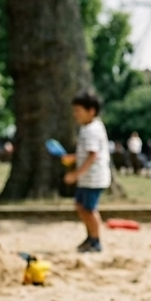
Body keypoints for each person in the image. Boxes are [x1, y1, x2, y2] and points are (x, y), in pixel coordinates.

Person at [66, 91, 111, 253]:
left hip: (94, 178)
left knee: (90, 209)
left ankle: (96, 241)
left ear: (91, 111)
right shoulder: (89, 127)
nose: (75, 114)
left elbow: (93, 155)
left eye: (78, 111)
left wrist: (76, 173)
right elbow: (87, 152)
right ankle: (90, 236)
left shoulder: (92, 129)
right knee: (80, 205)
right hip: (87, 178)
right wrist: (73, 158)